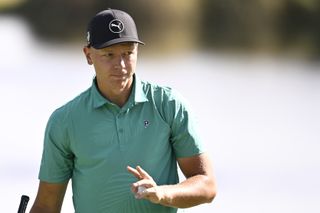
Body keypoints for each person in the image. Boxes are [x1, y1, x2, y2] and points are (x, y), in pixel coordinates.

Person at [30, 8, 217, 213]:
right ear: (88, 55)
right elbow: (46, 205)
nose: (121, 65)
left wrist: (163, 194)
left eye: (128, 53)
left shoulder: (168, 105)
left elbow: (206, 185)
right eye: (108, 55)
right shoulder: (65, 120)